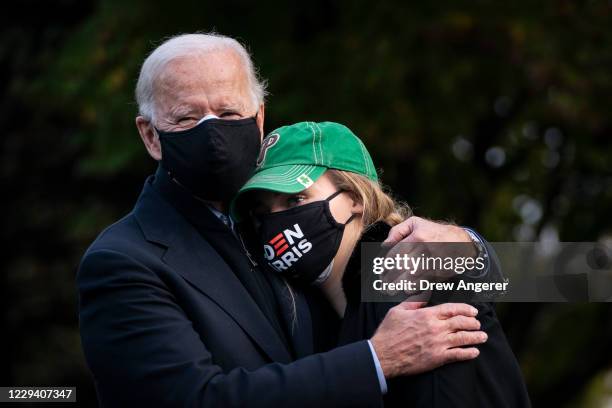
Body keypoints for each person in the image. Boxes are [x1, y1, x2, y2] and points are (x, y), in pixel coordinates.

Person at [77, 33, 489, 407]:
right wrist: (376, 361)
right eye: (186, 118)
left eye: (228, 111)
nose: (213, 133)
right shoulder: (123, 262)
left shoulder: (319, 241)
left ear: (258, 120)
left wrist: (470, 244)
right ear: (151, 136)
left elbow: (547, 279)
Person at [233, 121, 531, 407]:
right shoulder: (318, 317)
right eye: (262, 214)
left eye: (295, 200)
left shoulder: (412, 272)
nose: (275, 222)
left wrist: (472, 246)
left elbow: (567, 276)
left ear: (355, 198)